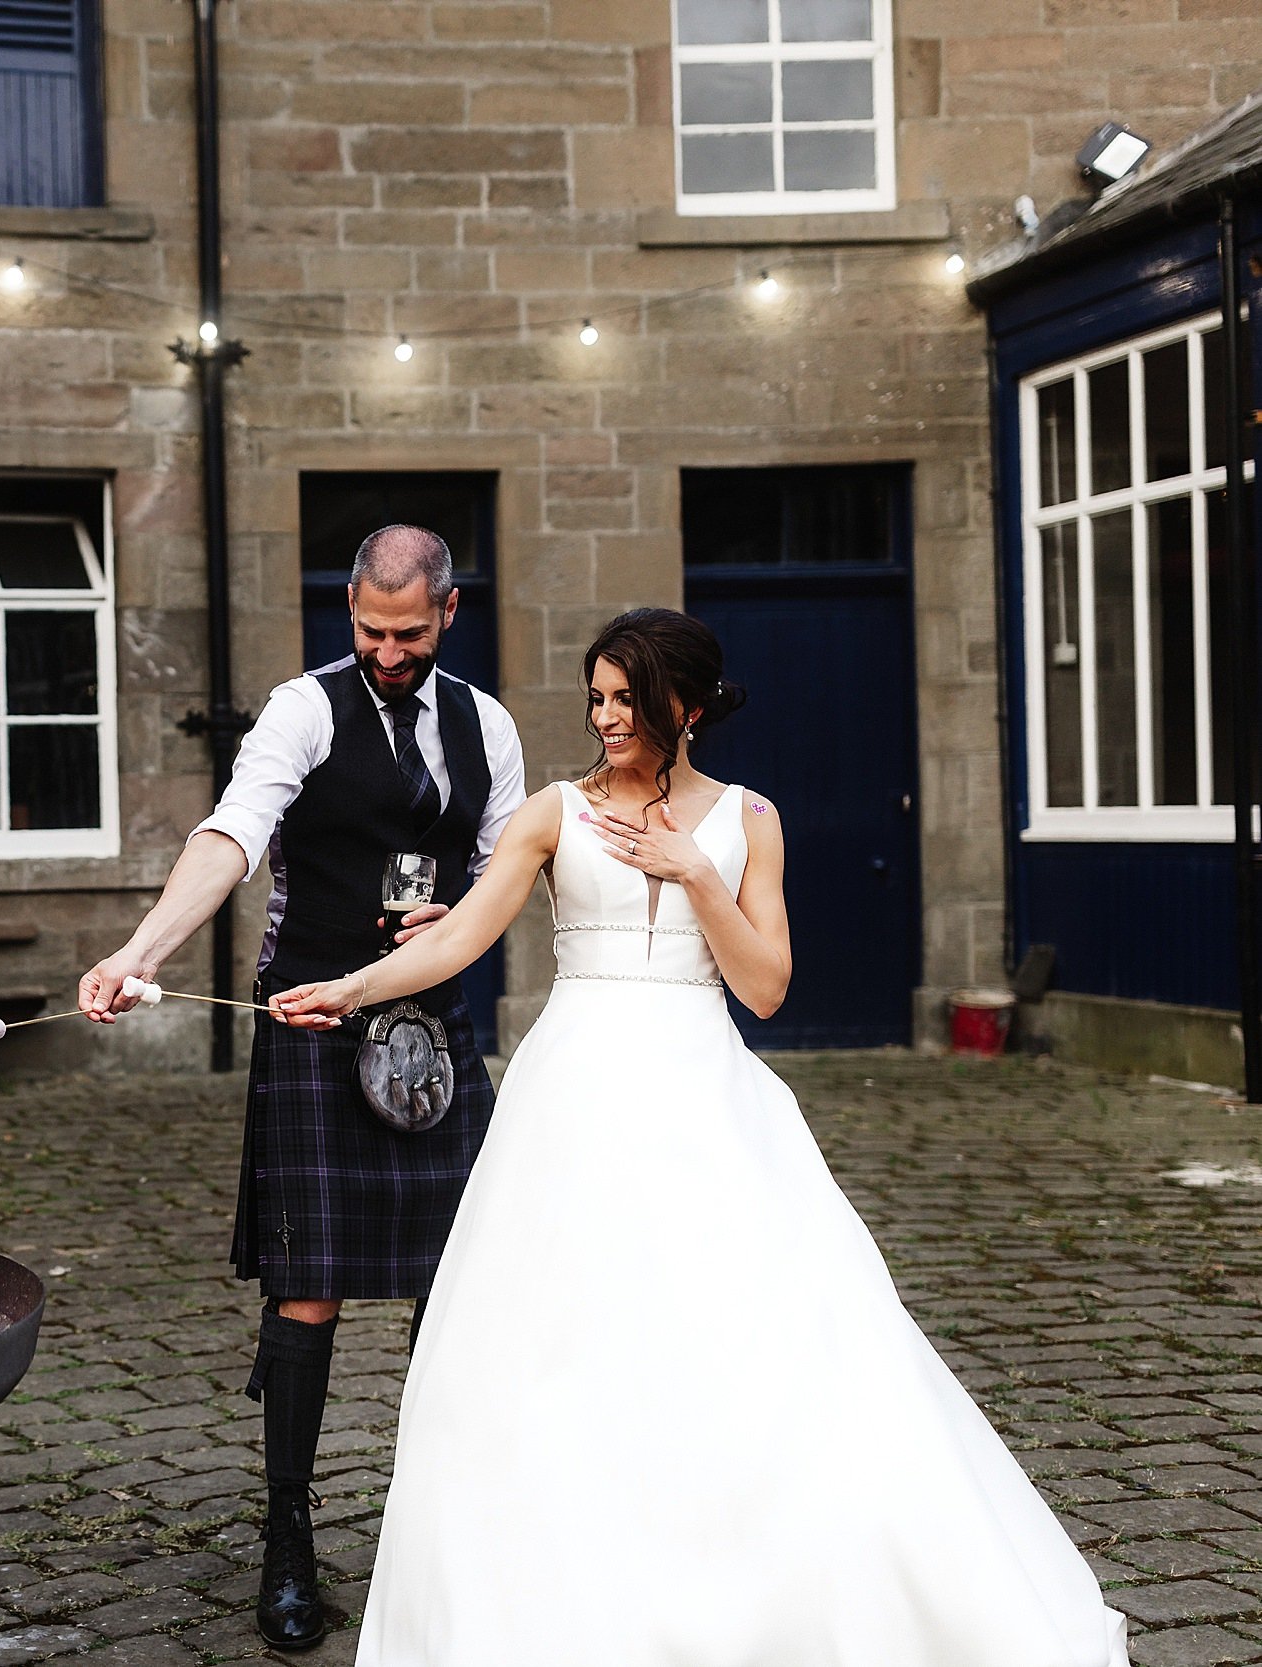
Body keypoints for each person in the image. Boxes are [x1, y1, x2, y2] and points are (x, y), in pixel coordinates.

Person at [270, 607, 1129, 1666]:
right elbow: (456, 935)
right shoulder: (554, 812)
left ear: (683, 703)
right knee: (554, 1350)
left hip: (701, 1093)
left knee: (742, 1340)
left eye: (625, 697)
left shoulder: (749, 820)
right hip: (572, 1094)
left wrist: (691, 871)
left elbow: (764, 987)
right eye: (596, 697)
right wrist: (349, 988)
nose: (605, 716)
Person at [79, 524, 525, 1650]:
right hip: (314, 1027)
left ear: (448, 613)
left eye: (408, 633)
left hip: (432, 1026)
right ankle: (288, 1540)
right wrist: (143, 951)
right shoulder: (303, 709)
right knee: (307, 1291)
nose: (386, 652)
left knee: (452, 1291)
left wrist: (459, 919)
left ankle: (448, 1537)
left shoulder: (491, 726)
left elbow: (505, 867)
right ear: (351, 611)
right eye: (370, 631)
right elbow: (231, 834)